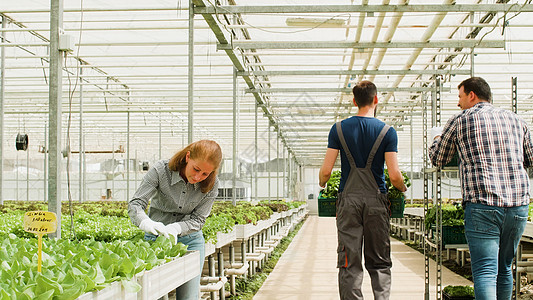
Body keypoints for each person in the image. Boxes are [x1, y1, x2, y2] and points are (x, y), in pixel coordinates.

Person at [429, 77, 533, 300]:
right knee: (505, 267)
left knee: (486, 271)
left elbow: (438, 158)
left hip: (483, 204)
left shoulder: (460, 120)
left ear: (472, 95)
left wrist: (436, 137)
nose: (458, 103)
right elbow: (530, 157)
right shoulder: (517, 120)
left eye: (460, 97)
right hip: (518, 207)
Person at [319, 80, 407, 300]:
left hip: (348, 203)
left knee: (349, 261)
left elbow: (326, 171)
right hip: (377, 203)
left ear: (354, 101)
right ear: (376, 100)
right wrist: (402, 188)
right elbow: (394, 175)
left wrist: (322, 183)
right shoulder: (387, 132)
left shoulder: (338, 129)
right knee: (379, 262)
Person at [128, 139, 222, 300]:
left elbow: (198, 220)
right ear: (187, 157)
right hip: (155, 241)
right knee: (152, 294)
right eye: (196, 169)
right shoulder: (160, 171)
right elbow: (136, 203)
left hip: (191, 242)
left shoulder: (212, 185)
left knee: (189, 297)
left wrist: (177, 228)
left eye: (205, 173)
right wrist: (146, 222)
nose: (198, 176)